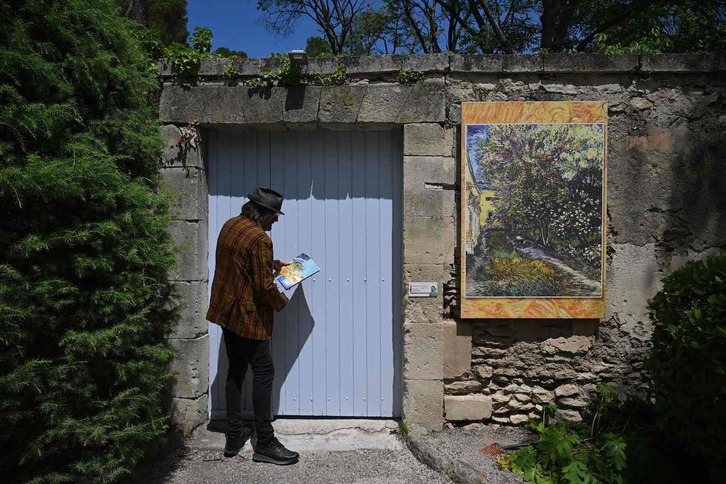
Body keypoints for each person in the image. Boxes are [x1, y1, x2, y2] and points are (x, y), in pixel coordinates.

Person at [206, 186, 299, 465]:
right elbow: (262, 287)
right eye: (274, 214)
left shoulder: (231, 225)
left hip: (227, 312)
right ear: (262, 212)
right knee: (264, 373)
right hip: (248, 317)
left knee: (235, 370)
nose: (277, 220)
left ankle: (234, 433)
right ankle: (265, 443)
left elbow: (238, 261)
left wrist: (271, 264)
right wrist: (284, 297)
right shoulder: (260, 238)